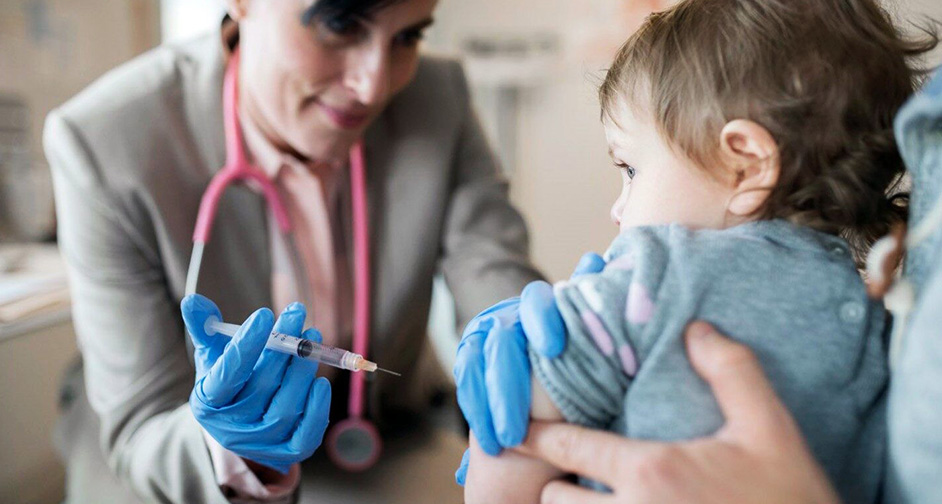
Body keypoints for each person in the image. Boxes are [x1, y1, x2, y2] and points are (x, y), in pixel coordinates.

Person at [45, 0, 541, 502]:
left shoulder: (437, 97)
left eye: (406, 37)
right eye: (340, 24)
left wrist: (530, 352)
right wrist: (229, 448)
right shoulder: (105, 142)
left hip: (378, 437)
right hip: (175, 462)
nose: (373, 86)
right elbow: (143, 420)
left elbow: (495, 279)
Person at [454, 0, 941, 502]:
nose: (618, 209)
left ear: (746, 164)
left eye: (631, 169)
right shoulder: (877, 327)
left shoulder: (658, 275)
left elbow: (516, 424)